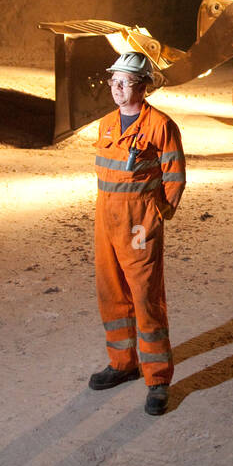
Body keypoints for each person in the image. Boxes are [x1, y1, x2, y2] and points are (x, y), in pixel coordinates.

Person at [88, 51, 185, 415]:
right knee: (111, 293)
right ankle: (123, 362)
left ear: (143, 86)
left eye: (125, 81)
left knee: (145, 296)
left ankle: (158, 377)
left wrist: (160, 212)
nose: (116, 87)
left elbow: (174, 175)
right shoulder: (106, 124)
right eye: (113, 80)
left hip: (140, 223)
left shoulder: (161, 125)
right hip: (106, 221)